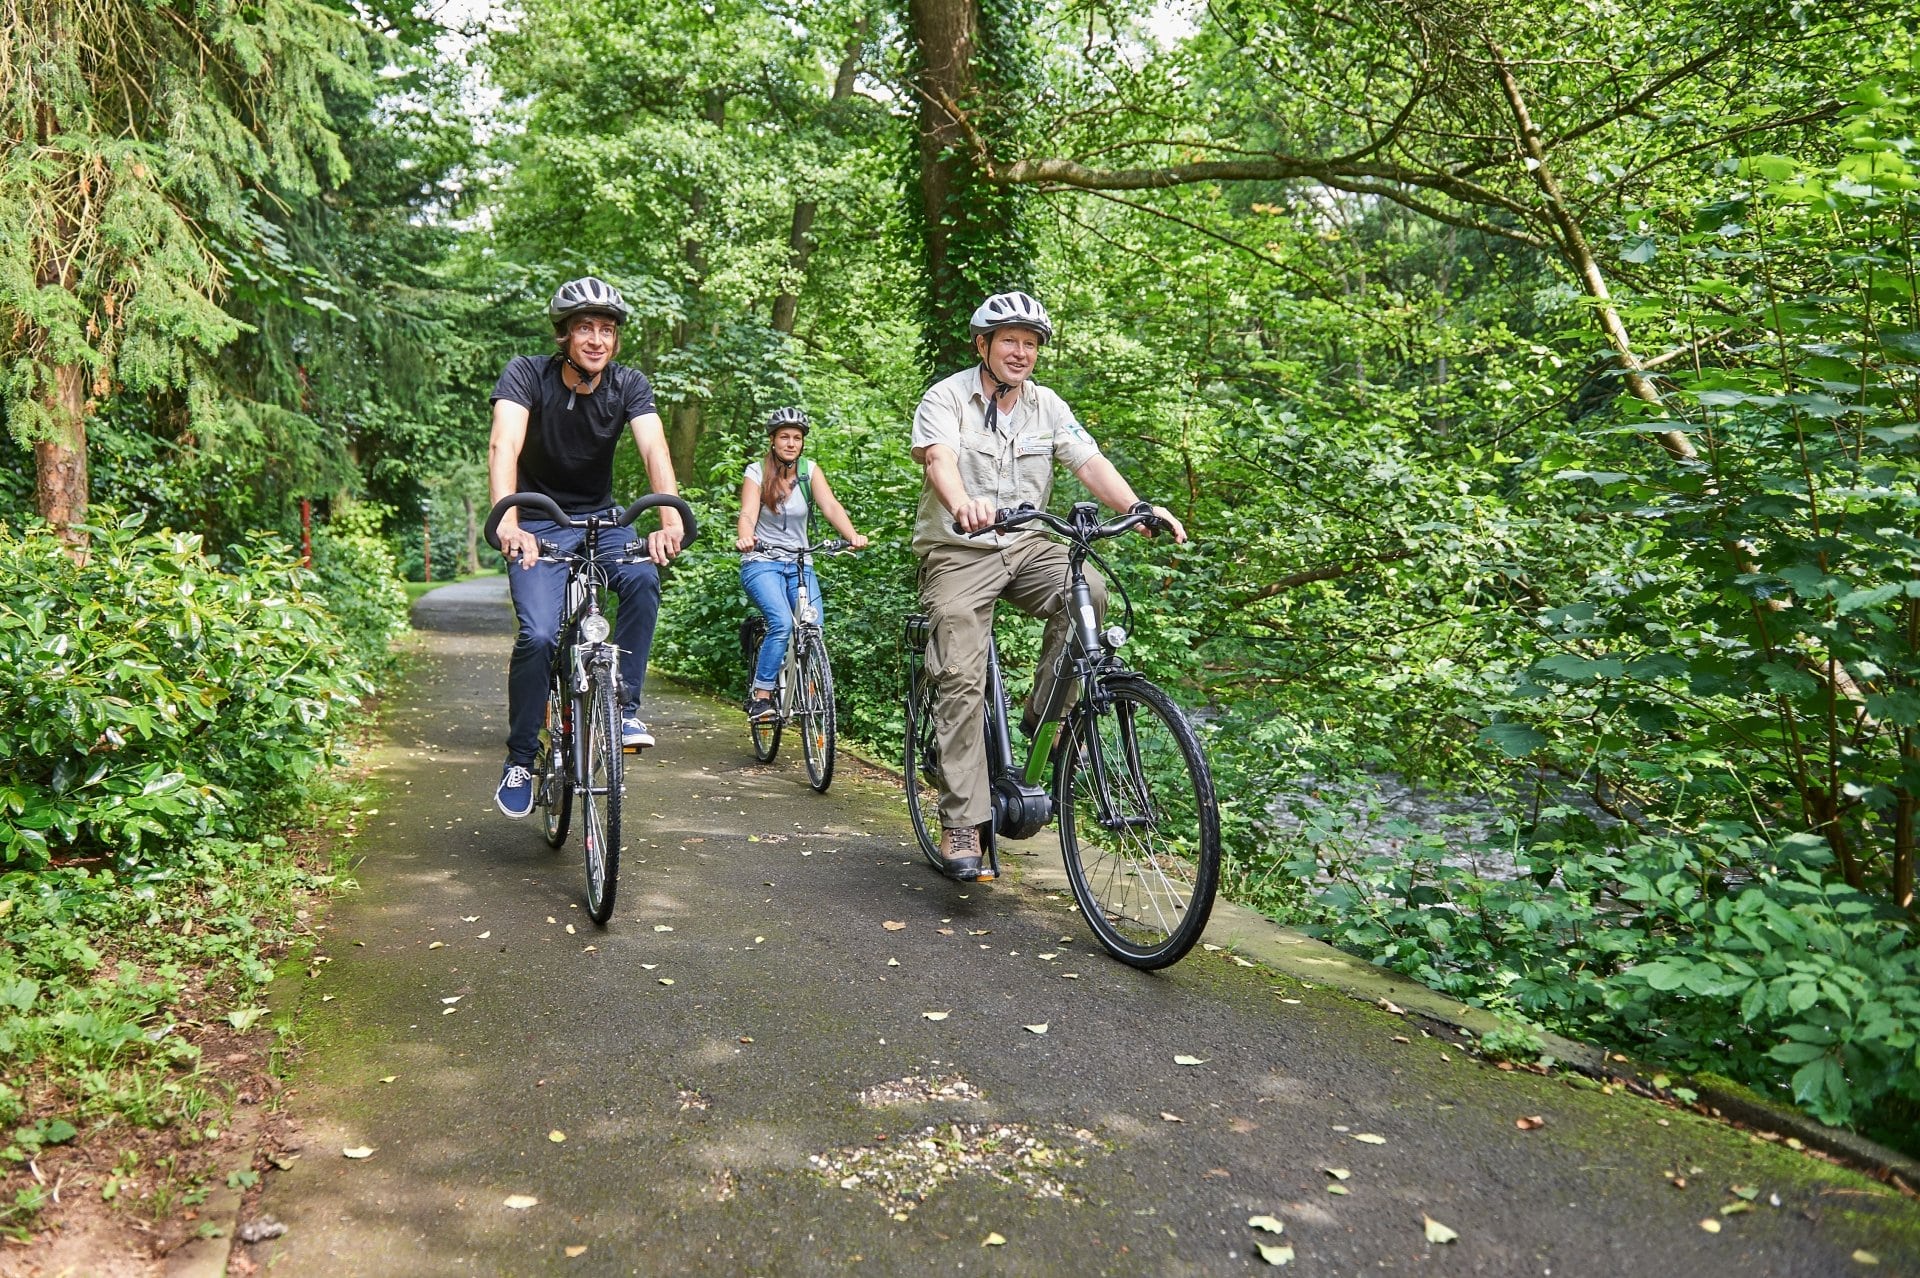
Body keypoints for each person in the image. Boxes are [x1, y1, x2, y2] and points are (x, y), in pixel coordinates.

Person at [909, 290, 1187, 881]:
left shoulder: (1048, 406)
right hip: (960, 550)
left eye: (1031, 344)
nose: (1021, 352)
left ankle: (1046, 724)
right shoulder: (947, 398)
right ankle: (962, 816)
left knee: (1088, 587)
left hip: (1028, 545)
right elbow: (939, 461)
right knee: (960, 669)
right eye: (1009, 340)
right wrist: (963, 506)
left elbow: (1088, 463)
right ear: (982, 345)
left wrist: (1138, 506)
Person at [489, 277, 687, 818]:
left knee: (645, 578)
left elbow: (654, 448)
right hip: (537, 522)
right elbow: (504, 442)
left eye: (607, 329)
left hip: (602, 520)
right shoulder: (527, 374)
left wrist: (668, 518)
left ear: (616, 340)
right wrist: (508, 516)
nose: (597, 339)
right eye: (584, 328)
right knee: (538, 634)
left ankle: (622, 707)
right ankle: (521, 758)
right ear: (564, 335)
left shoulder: (629, 385)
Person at [735, 407, 867, 720]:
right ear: (772, 440)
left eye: (797, 438)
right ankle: (762, 696)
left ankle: (807, 687)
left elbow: (831, 506)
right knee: (781, 622)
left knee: (813, 626)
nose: (791, 443)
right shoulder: (757, 472)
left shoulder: (809, 471)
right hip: (761, 561)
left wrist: (853, 535)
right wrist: (745, 537)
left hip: (800, 562)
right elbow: (748, 514)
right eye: (784, 437)